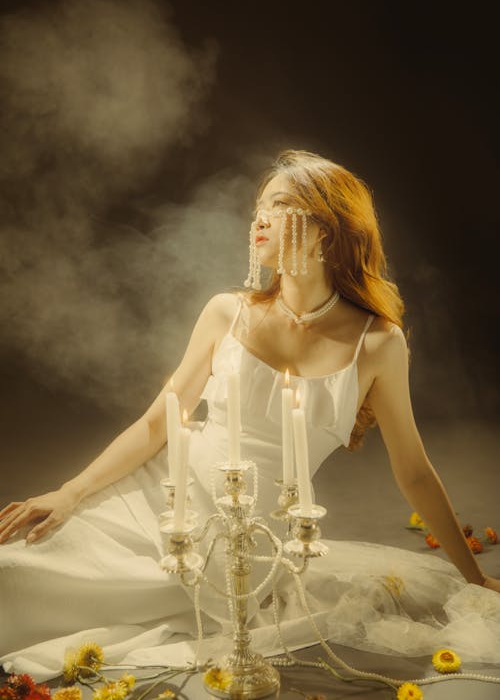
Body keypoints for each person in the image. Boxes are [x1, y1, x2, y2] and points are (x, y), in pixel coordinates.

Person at [1, 149, 499, 679]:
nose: (258, 219)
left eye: (280, 205)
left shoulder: (377, 343)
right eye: (258, 207)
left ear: (327, 231)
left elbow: (414, 470)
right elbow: (155, 424)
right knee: (13, 569)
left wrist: (472, 577)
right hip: (157, 501)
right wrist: (71, 492)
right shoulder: (226, 312)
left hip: (246, 545)